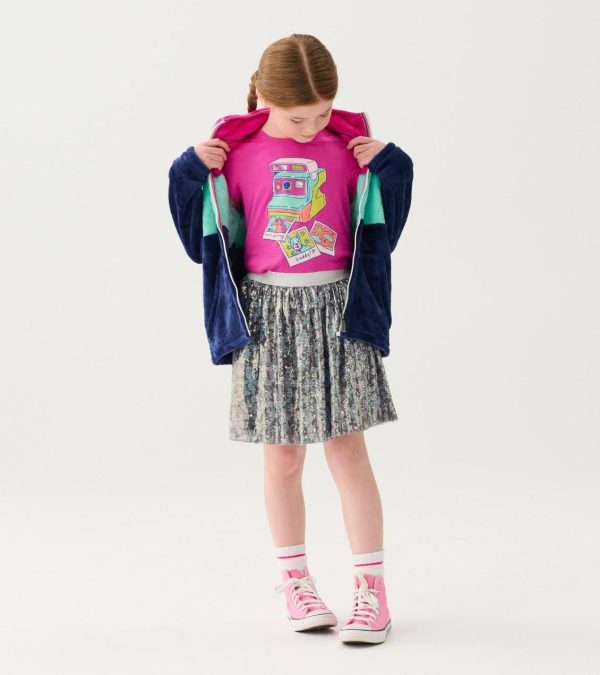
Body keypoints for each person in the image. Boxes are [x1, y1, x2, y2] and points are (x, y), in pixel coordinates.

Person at [167, 33, 413, 645]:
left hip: (340, 307)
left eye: (322, 114)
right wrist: (189, 171)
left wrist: (391, 164)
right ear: (263, 99)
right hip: (266, 311)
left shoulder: (350, 150)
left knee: (347, 449)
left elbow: (384, 234)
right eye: (297, 117)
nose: (311, 128)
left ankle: (372, 591)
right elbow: (199, 241)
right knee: (282, 456)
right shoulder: (234, 155)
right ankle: (297, 582)